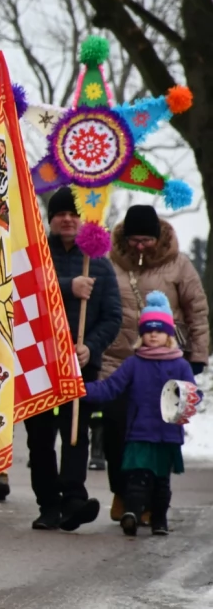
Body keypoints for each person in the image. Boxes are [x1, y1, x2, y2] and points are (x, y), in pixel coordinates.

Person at [101, 204, 208, 523]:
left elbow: (197, 311)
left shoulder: (179, 265)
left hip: (164, 366)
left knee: (156, 433)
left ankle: (148, 500)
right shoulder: (108, 262)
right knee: (116, 431)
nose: (140, 246)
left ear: (158, 238)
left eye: (146, 240)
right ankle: (123, 493)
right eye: (134, 240)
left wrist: (197, 356)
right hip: (115, 361)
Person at [27, 189, 119, 532]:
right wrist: (69, 286)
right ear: (51, 219)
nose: (67, 219)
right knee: (39, 437)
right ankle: (48, 504)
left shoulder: (100, 264)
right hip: (39, 362)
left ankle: (74, 500)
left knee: (76, 432)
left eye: (73, 214)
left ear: (83, 220)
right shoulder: (35, 255)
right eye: (60, 214)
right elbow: (27, 290)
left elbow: (112, 316)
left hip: (81, 365)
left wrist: (90, 348)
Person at [84, 292, 197, 536]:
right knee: (136, 478)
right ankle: (132, 514)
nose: (153, 334)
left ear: (169, 334)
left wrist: (187, 401)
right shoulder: (133, 364)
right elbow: (110, 387)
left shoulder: (180, 365)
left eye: (159, 330)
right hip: (139, 433)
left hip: (167, 435)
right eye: (148, 330)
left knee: (161, 482)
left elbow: (193, 395)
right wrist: (81, 389)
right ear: (141, 334)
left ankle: (159, 520)